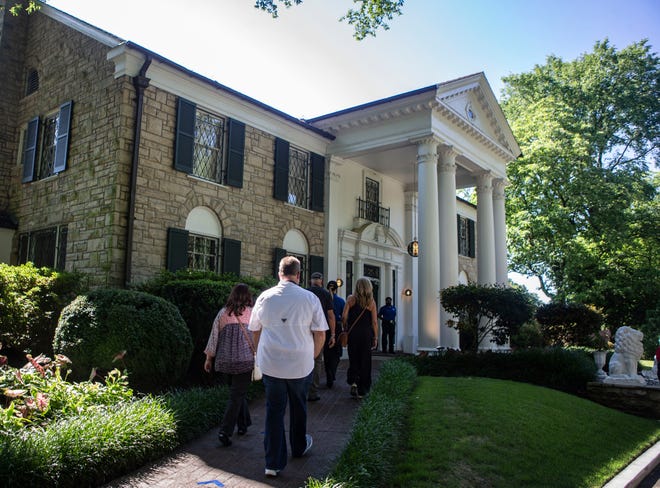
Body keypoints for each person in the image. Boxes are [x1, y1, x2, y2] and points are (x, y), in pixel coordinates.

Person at [248, 256, 328, 477]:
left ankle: (272, 463)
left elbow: (255, 329)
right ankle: (299, 446)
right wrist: (312, 356)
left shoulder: (265, 297)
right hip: (300, 363)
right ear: (299, 275)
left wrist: (258, 353)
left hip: (272, 363)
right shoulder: (310, 298)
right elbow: (320, 332)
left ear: (279, 273)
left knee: (274, 411)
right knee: (299, 407)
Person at [203, 283, 254, 447]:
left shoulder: (222, 313)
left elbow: (213, 337)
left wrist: (208, 359)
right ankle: (225, 431)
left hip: (225, 361)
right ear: (247, 296)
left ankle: (244, 424)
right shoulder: (252, 314)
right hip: (245, 361)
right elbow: (257, 338)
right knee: (236, 395)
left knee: (237, 392)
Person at [342, 277, 378, 399]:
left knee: (354, 358)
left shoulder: (351, 299)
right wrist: (376, 337)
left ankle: (353, 382)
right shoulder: (371, 302)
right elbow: (374, 322)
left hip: (353, 334)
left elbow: (344, 317)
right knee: (365, 361)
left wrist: (346, 326)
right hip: (366, 334)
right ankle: (363, 390)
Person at [306, 272, 336, 400]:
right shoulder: (325, 294)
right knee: (317, 360)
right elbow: (330, 315)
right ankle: (312, 392)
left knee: (304, 359)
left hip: (305, 330)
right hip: (319, 331)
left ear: (311, 281)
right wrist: (333, 334)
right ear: (321, 281)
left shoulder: (304, 292)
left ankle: (302, 390)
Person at [326, 280, 345, 388]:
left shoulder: (323, 300)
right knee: (336, 353)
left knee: (327, 352)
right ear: (336, 289)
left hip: (325, 327)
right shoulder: (341, 301)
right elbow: (344, 317)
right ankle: (332, 373)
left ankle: (329, 374)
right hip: (337, 328)